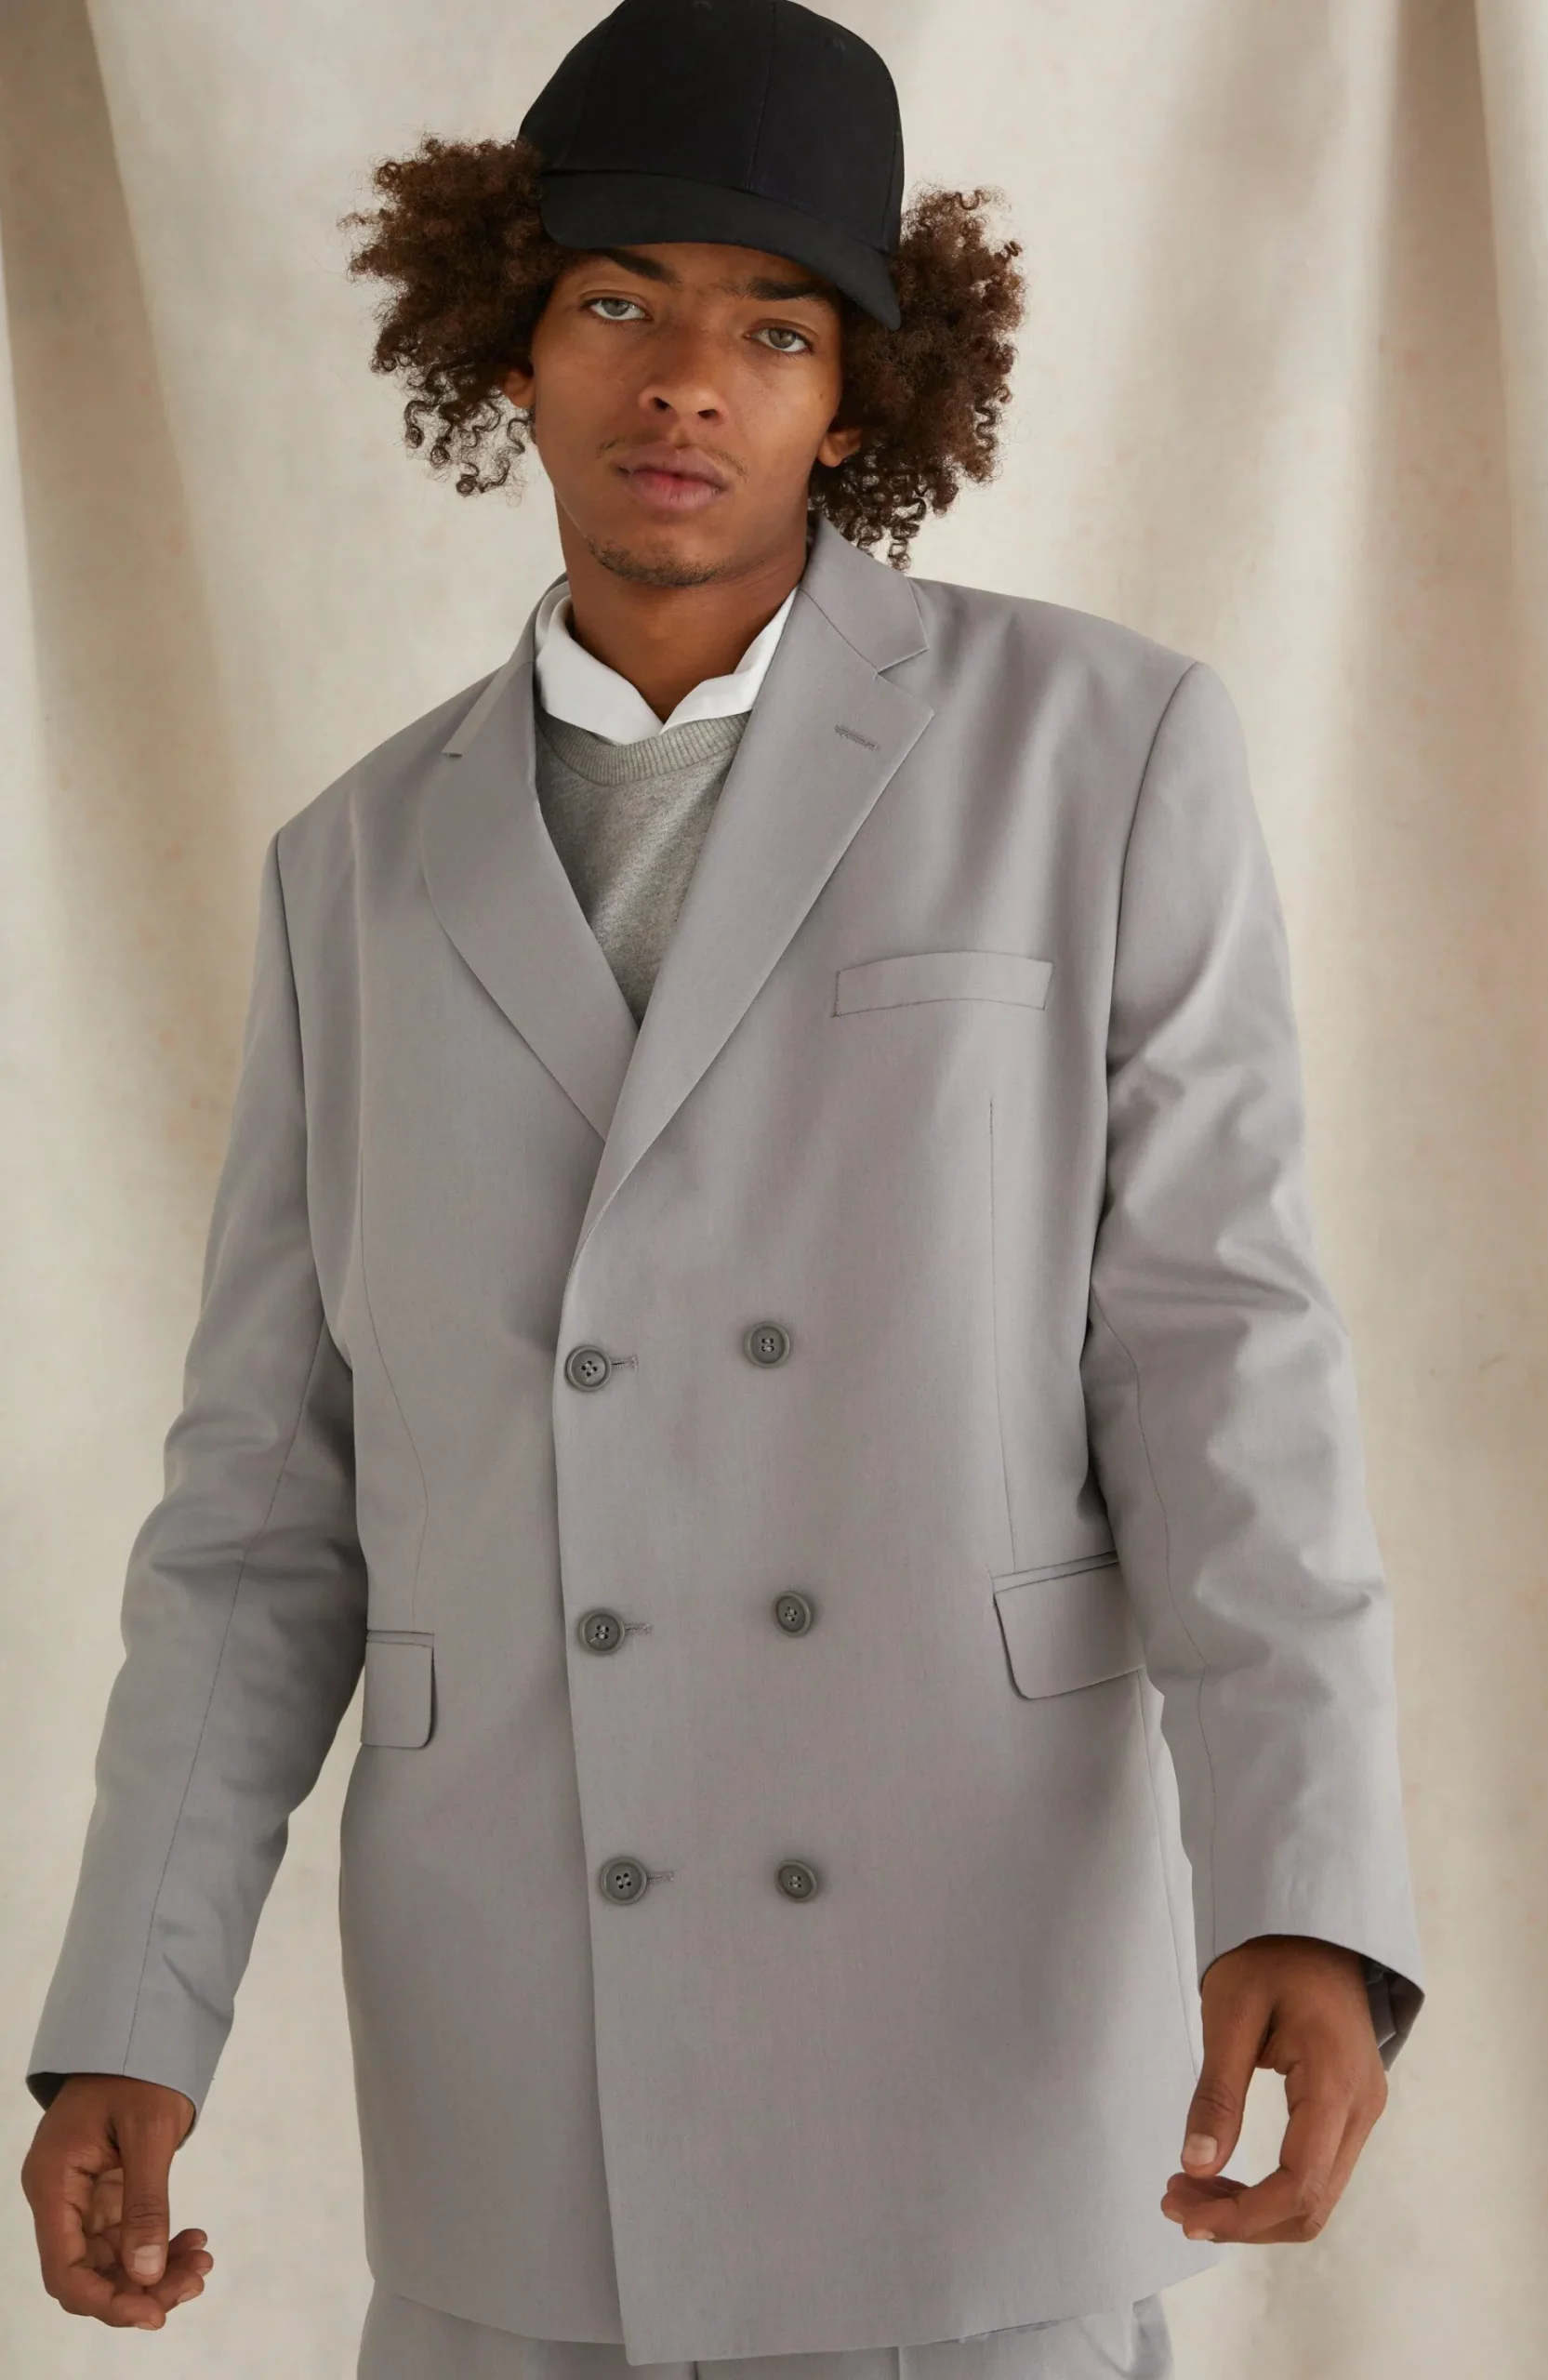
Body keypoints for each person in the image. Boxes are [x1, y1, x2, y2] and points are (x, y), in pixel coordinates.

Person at [20, 4, 1424, 2375]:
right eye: (618, 300)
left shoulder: (1100, 751)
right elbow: (263, 1502)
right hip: (518, 2069)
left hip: (965, 2022)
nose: (687, 378)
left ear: (860, 396)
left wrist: (1303, 1880)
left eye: (776, 328)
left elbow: (1219, 1357)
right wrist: (127, 2009)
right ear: (511, 341)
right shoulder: (346, 868)